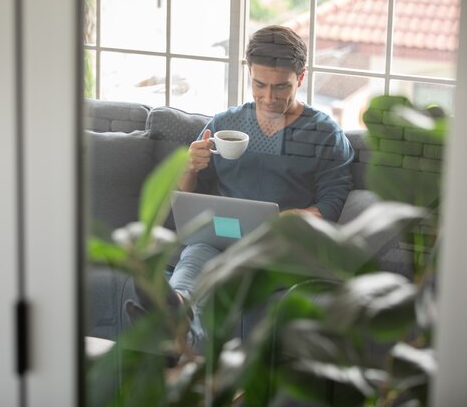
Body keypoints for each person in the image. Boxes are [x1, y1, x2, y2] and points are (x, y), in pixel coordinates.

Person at [129, 25, 355, 350]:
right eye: (259, 85)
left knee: (222, 277)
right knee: (195, 258)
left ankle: (177, 337)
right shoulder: (224, 125)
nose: (268, 97)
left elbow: (332, 202)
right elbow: (188, 200)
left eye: (281, 87)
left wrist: (298, 218)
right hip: (220, 239)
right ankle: (176, 316)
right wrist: (190, 168)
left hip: (280, 248)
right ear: (249, 74)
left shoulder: (324, 133)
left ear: (301, 78)